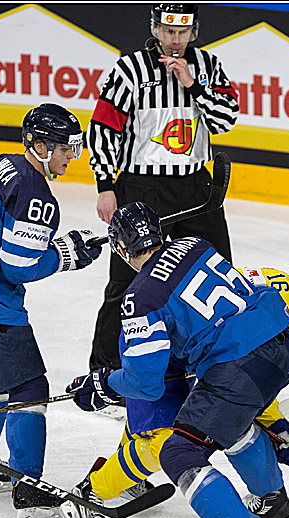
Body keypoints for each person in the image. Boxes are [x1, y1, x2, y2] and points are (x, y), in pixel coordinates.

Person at [66, 202, 289, 518]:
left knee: (179, 453)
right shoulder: (195, 244)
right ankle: (273, 503)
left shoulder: (140, 296)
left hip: (237, 364)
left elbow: (147, 383)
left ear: (122, 252)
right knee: (235, 423)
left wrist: (103, 385)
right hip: (282, 345)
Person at [61, 256, 289, 518]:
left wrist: (274, 423)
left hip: (186, 346)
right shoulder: (282, 298)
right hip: (157, 339)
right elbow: (242, 360)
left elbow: (243, 370)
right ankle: (90, 490)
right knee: (164, 441)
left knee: (200, 423)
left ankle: (130, 474)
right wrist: (110, 385)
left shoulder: (276, 295)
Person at [0, 103, 104, 518]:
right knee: (30, 385)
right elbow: (18, 265)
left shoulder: (2, 165)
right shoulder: (38, 196)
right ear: (40, 145)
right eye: (66, 148)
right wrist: (65, 255)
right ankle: (30, 491)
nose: (73, 156)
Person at [86, 3, 239, 372]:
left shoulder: (208, 66)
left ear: (194, 31)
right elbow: (104, 127)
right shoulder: (129, 69)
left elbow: (226, 120)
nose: (175, 39)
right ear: (155, 29)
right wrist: (106, 185)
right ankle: (106, 370)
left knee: (220, 273)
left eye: (182, 32)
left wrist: (192, 84)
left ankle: (220, 364)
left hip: (196, 188)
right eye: (168, 31)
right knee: (126, 283)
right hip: (142, 189)